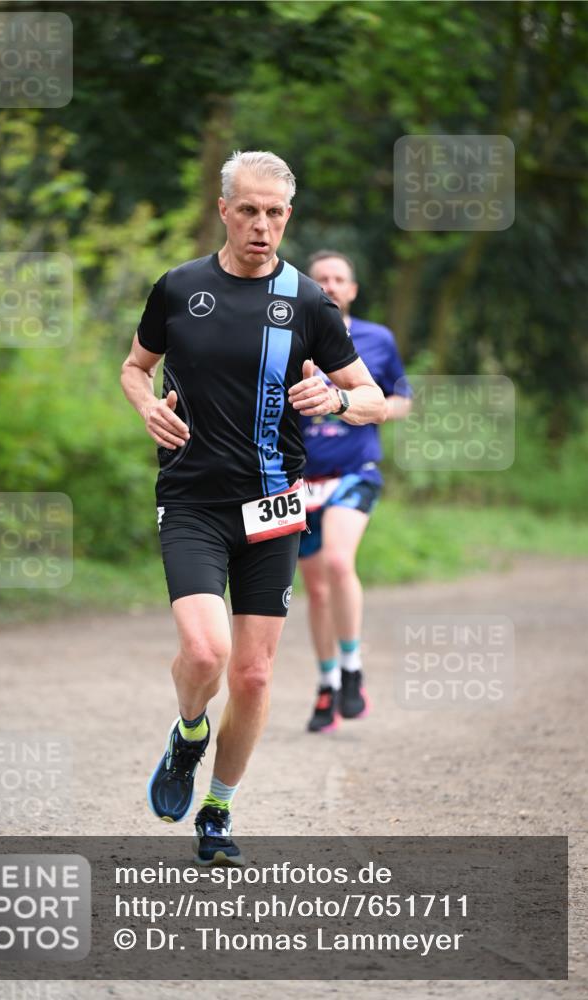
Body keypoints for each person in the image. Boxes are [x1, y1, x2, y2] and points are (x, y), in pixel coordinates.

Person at [120, 152, 385, 865]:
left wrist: (332, 399)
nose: (262, 225)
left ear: (287, 217)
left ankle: (218, 810)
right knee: (205, 653)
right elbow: (134, 366)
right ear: (224, 210)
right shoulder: (178, 289)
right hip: (193, 500)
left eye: (274, 213)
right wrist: (146, 406)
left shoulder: (306, 301)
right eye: (249, 211)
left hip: (272, 505)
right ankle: (188, 734)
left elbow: (372, 398)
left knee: (255, 674)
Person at [299, 251, 412, 733]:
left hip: (355, 470)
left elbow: (401, 401)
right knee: (317, 590)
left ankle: (353, 667)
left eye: (338, 278)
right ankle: (328, 686)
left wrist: (358, 405)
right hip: (299, 481)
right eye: (320, 278)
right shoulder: (290, 338)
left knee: (339, 563)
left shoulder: (377, 340)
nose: (329, 285)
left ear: (352, 289)